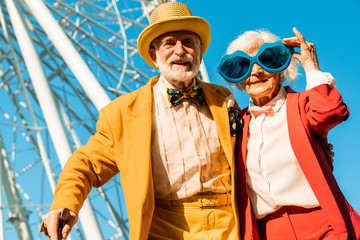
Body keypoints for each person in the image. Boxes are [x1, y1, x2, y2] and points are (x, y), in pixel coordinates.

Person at [40, 2, 242, 240]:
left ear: (199, 51)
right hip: (165, 228)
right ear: (154, 56)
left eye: (188, 42)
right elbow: (85, 164)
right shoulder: (123, 113)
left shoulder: (224, 99)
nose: (180, 51)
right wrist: (65, 202)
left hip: (230, 224)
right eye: (169, 43)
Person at [217, 27, 360, 239]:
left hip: (325, 228)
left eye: (267, 60)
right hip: (268, 232)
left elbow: (330, 112)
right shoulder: (238, 122)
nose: (256, 71)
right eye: (244, 65)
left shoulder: (303, 104)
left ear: (281, 68)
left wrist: (311, 66)